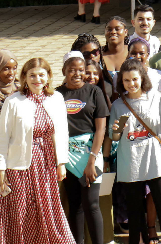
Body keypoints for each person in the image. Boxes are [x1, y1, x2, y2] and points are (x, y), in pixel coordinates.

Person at [0, 57, 71, 244]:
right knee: (22, 213)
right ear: (24, 77)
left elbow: (62, 132)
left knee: (48, 211)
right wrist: (0, 168)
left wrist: (61, 163)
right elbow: (3, 137)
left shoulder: (56, 99)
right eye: (32, 75)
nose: (37, 79)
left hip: (46, 165)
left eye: (41, 75)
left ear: (48, 76)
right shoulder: (13, 101)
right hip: (18, 166)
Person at [107, 59, 161, 244]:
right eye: (126, 80)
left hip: (154, 159)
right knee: (135, 210)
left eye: (134, 79)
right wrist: (116, 130)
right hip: (130, 162)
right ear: (121, 82)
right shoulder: (118, 105)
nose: (131, 84)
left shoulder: (156, 97)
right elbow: (114, 137)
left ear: (142, 78)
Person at [56, 53, 107, 244]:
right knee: (75, 205)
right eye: (71, 70)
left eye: (81, 70)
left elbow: (101, 129)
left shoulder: (94, 92)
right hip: (66, 156)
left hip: (89, 154)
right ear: (64, 71)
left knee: (91, 204)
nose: (77, 74)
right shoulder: (57, 94)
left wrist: (92, 161)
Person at [0, 50, 16, 239]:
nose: (11, 73)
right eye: (6, 68)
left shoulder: (21, 92)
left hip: (16, 160)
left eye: (14, 68)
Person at [100, 16, 131, 101]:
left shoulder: (133, 52)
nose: (113, 32)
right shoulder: (98, 55)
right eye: (109, 29)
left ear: (125, 32)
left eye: (117, 29)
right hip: (103, 103)